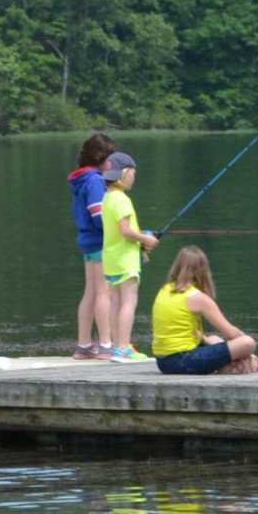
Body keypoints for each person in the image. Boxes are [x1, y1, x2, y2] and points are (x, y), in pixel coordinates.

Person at [151, 246, 258, 374]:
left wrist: (209, 341)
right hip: (183, 361)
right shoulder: (197, 298)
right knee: (247, 343)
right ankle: (235, 365)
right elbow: (231, 334)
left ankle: (225, 364)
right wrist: (243, 342)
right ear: (202, 270)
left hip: (163, 362)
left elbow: (180, 329)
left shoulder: (164, 290)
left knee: (214, 339)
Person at [101, 152, 158, 362]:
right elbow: (126, 231)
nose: (134, 176)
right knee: (128, 302)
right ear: (124, 174)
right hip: (126, 259)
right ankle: (123, 348)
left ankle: (117, 347)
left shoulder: (107, 198)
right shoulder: (123, 200)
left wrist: (141, 238)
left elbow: (119, 230)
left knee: (115, 302)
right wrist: (146, 239)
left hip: (111, 258)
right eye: (133, 172)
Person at [68, 133, 119, 360]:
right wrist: (119, 232)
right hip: (100, 243)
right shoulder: (95, 181)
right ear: (101, 157)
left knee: (90, 292)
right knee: (103, 293)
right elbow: (99, 216)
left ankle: (84, 344)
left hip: (87, 241)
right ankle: (106, 345)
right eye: (111, 159)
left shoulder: (82, 179)